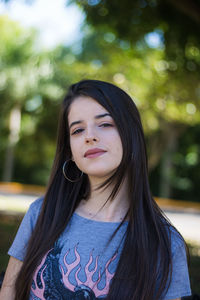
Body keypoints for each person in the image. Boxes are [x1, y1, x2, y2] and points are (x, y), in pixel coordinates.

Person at [0, 79, 191, 300]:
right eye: (78, 130)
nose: (89, 136)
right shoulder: (42, 213)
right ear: (70, 150)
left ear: (131, 135)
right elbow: (9, 290)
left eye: (105, 124)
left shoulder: (166, 243)